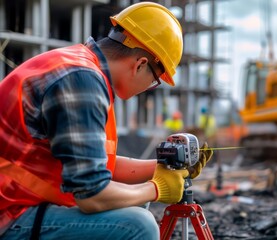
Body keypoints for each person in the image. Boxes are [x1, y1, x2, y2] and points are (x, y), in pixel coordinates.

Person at [0, 2, 213, 240]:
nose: (150, 87)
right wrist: (156, 188)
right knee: (137, 225)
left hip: (17, 203)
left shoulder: (81, 69)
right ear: (140, 64)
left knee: (131, 205)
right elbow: (92, 195)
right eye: (155, 80)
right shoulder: (82, 82)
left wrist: (161, 169)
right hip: (8, 216)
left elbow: (97, 165)